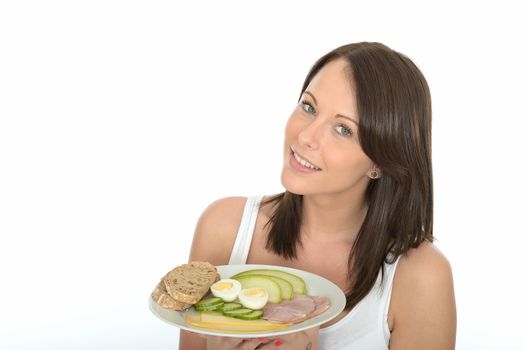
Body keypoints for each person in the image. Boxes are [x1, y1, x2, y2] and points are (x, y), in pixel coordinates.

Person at [179, 42, 456, 350]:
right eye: (308, 107)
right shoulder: (224, 229)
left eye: (343, 129)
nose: (306, 136)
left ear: (380, 161)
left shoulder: (421, 277)